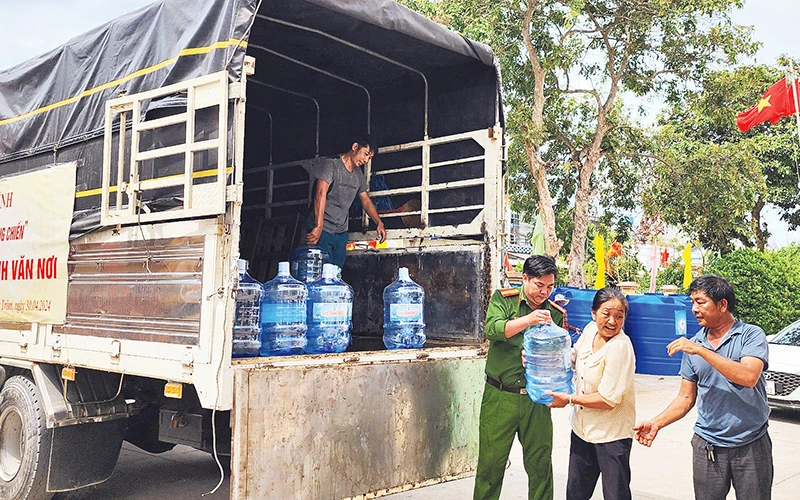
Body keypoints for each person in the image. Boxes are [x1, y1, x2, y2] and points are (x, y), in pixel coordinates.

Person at [634, 275, 773, 500]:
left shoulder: (750, 334)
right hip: (708, 446)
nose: (694, 309)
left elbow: (748, 376)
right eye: (692, 302)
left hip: (751, 444)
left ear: (722, 305)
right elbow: (686, 398)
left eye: (701, 302)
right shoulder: (694, 345)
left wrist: (700, 351)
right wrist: (656, 423)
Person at [474, 255, 567, 500]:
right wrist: (528, 320)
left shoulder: (555, 314)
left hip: (535, 399)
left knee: (540, 468)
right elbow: (492, 330)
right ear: (525, 278)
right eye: (539, 285)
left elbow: (558, 356)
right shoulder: (504, 300)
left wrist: (539, 360)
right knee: (490, 466)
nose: (544, 292)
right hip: (499, 397)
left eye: (549, 287)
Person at [545, 287, 636, 500]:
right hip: (582, 430)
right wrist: (542, 358)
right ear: (593, 313)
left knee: (616, 495)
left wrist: (568, 399)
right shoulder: (589, 330)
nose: (612, 321)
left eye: (619, 316)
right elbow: (574, 357)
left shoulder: (620, 347)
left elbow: (607, 399)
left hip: (612, 436)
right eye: (606, 314)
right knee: (576, 493)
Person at [305, 135, 387, 268]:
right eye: (365, 154)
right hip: (322, 229)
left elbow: (365, 201)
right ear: (355, 147)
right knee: (321, 273)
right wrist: (318, 226)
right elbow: (320, 194)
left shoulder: (358, 175)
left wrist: (379, 222)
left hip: (341, 232)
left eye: (369, 158)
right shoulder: (331, 165)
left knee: (336, 274)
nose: (366, 160)